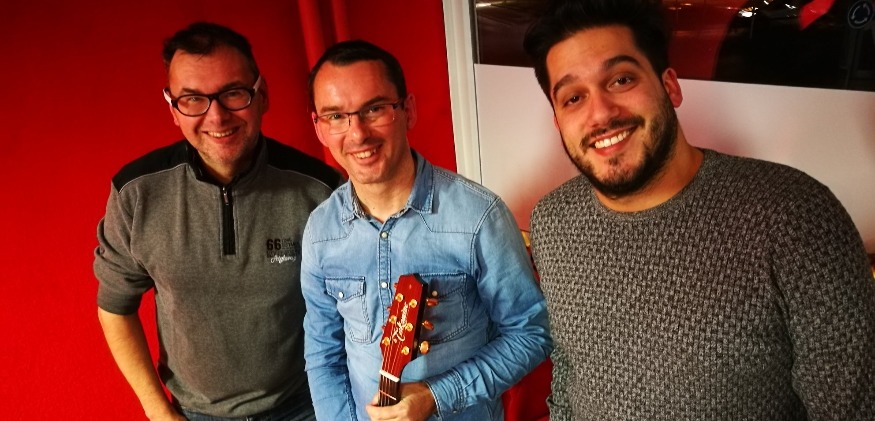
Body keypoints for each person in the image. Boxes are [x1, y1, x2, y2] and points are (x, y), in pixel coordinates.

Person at [522, 0, 875, 419]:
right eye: (573, 97)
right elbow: (569, 371)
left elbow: (852, 408)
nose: (600, 113)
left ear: (670, 86)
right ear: (558, 121)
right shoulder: (553, 221)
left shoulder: (794, 216)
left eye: (621, 79)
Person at [94, 22, 341, 421]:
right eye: (193, 99)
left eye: (233, 93)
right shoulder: (136, 194)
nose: (217, 116)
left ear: (262, 95)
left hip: (305, 406)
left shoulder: (321, 190)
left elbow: (355, 307)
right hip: (193, 414)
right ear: (173, 109)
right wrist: (158, 412)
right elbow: (114, 308)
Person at [300, 40, 552, 421]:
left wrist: (437, 395)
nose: (358, 133)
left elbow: (531, 332)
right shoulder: (321, 231)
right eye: (336, 116)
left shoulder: (478, 217)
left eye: (374, 109)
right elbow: (323, 354)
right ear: (319, 128)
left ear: (408, 111)